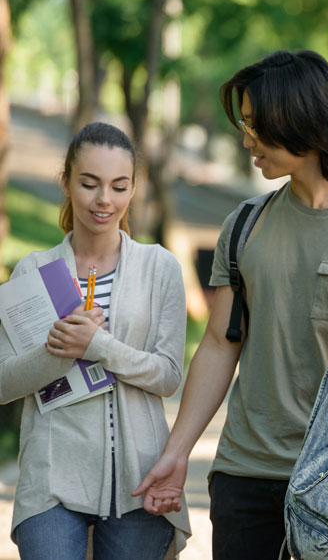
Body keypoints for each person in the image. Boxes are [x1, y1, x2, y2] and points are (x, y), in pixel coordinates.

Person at [132, 50, 328, 559]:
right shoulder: (245, 223)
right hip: (245, 475)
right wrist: (177, 453)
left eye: (256, 126)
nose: (247, 141)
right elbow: (220, 346)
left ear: (303, 123)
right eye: (244, 125)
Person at [0, 122, 191, 559]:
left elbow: (168, 375)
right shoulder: (34, 271)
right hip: (50, 481)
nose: (105, 199)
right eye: (89, 184)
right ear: (66, 182)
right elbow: (3, 383)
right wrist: (58, 349)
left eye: (119, 186)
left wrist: (99, 346)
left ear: (132, 189)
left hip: (137, 481)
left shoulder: (159, 267)